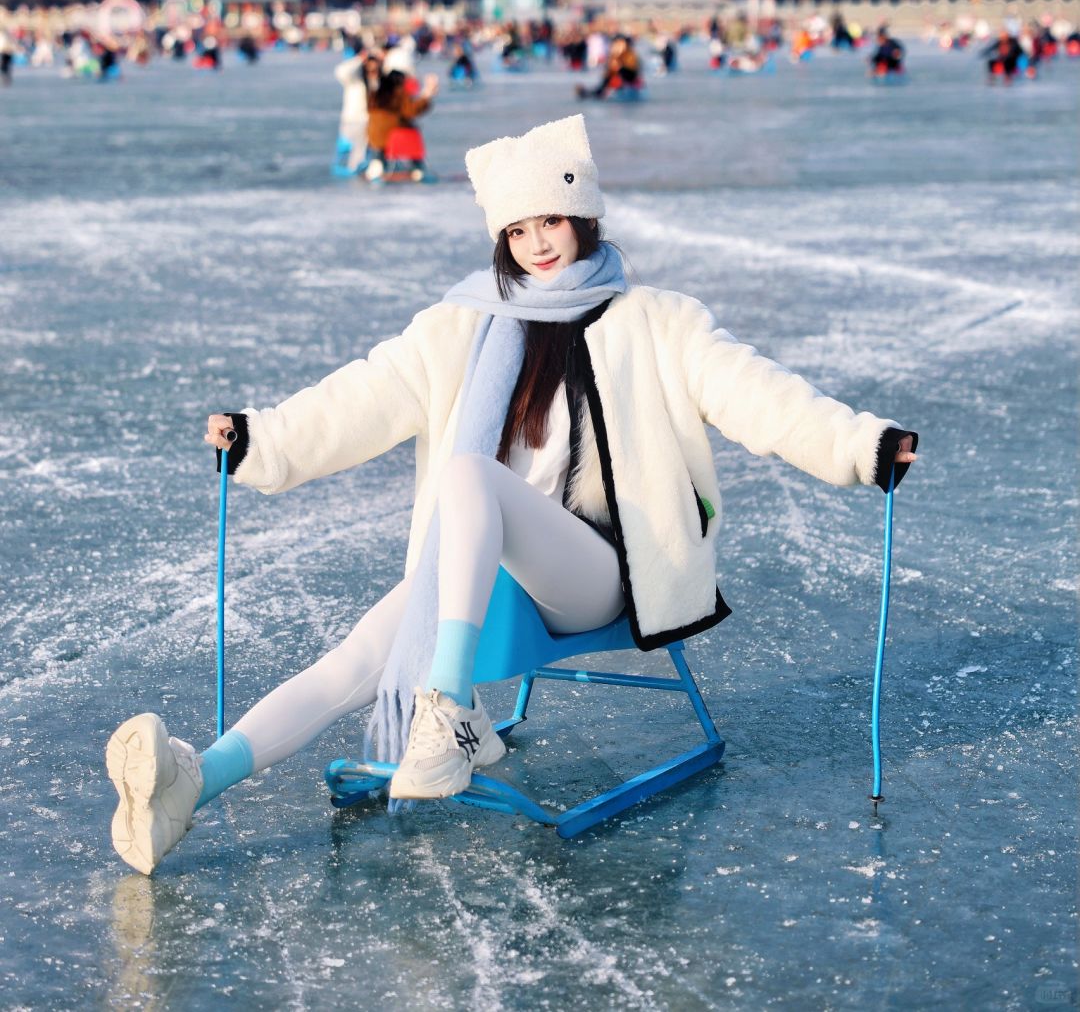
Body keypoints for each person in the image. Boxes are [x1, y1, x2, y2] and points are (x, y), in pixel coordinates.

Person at [105, 113, 919, 875]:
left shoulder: (655, 321)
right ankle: (191, 781)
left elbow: (760, 394)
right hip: (478, 570)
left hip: (599, 570)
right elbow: (359, 396)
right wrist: (261, 437)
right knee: (351, 660)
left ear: (584, 219)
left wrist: (861, 445)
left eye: (552, 222)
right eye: (518, 229)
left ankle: (450, 706)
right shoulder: (463, 326)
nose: (536, 245)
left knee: (467, 476)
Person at [365, 67, 439, 180]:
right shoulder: (399, 94)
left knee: (379, 152)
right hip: (394, 135)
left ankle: (377, 164)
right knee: (411, 135)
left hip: (374, 136)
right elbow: (411, 110)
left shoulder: (376, 93)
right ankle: (417, 167)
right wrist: (427, 96)